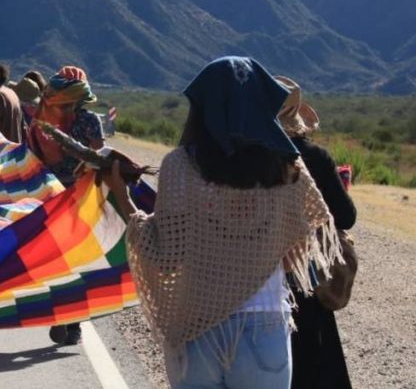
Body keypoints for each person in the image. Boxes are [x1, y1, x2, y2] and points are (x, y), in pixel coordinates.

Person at [103, 57, 343, 389]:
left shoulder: (180, 167)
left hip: (199, 332)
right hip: (266, 330)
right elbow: (296, 253)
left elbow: (165, 255)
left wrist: (124, 200)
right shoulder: (287, 167)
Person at [275, 76, 356, 389]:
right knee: (315, 362)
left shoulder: (245, 158)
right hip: (308, 274)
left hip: (257, 275)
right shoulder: (316, 158)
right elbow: (346, 217)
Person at [25, 66, 103, 346]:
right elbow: (99, 158)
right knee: (80, 260)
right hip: (82, 198)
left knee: (55, 258)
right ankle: (74, 323)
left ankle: (56, 311)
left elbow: (30, 161)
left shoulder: (40, 122)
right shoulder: (90, 121)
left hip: (51, 198)